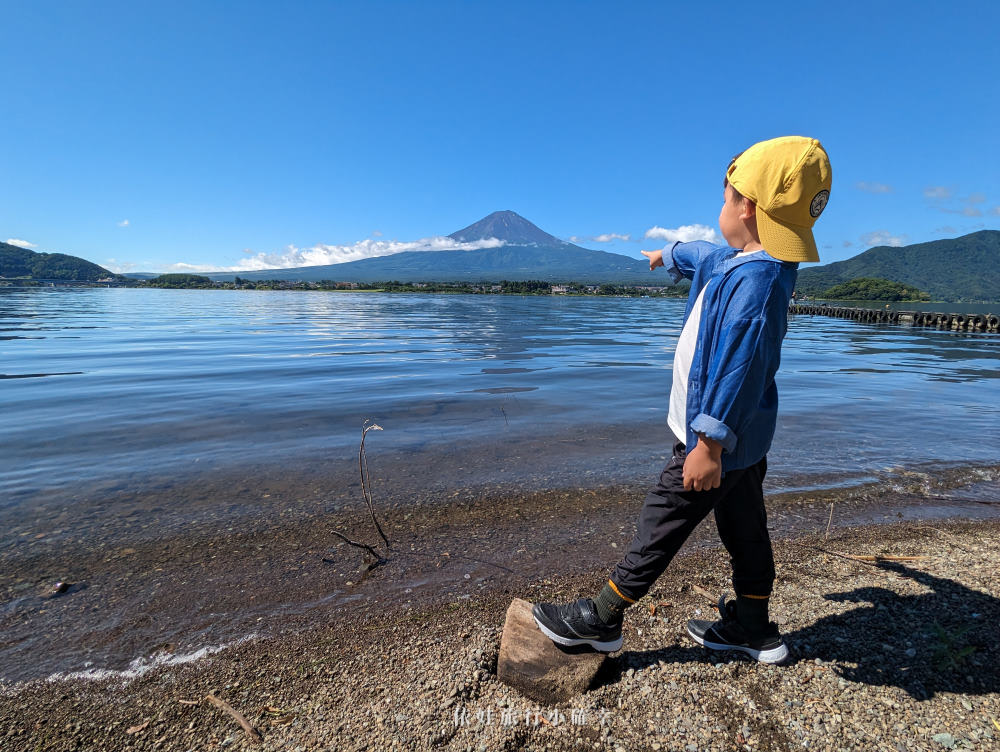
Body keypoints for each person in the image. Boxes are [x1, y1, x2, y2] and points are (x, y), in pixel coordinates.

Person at [532, 136, 832, 664]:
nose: (720, 209)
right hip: (745, 441)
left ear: (747, 207)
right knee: (744, 528)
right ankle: (753, 626)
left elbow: (739, 369)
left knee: (663, 518)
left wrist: (709, 444)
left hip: (714, 438)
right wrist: (666, 254)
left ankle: (602, 618)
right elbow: (701, 253)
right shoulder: (744, 262)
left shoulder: (758, 285)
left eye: (724, 198)